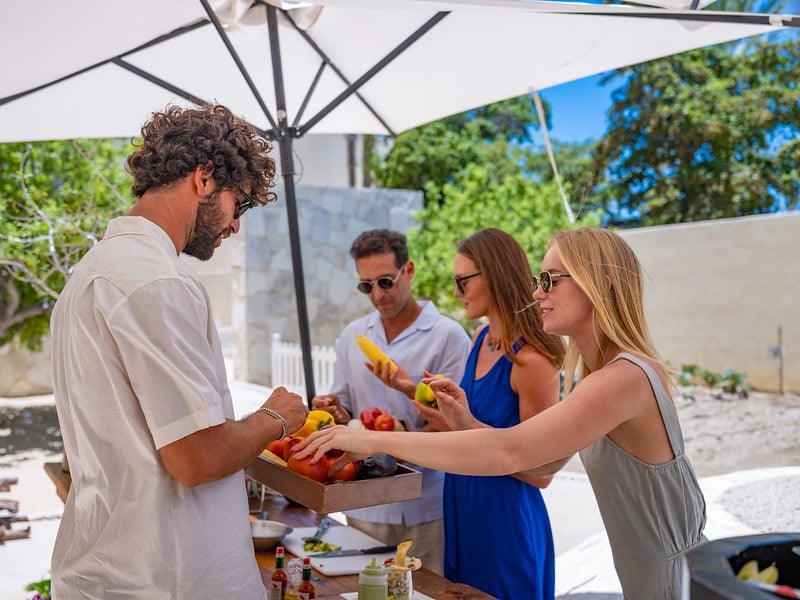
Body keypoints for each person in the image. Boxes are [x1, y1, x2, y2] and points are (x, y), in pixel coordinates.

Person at [297, 226, 707, 600]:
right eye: (536, 281)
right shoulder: (602, 378)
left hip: (671, 584)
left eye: (550, 281)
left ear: (600, 283)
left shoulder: (622, 378)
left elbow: (512, 452)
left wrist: (367, 439)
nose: (537, 294)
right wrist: (462, 420)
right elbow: (543, 459)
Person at [49, 104, 308, 598]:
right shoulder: (158, 282)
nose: (235, 226)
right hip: (167, 579)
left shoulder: (90, 274)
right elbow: (197, 459)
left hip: (109, 572)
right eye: (242, 204)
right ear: (205, 178)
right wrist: (275, 417)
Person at [416, 227, 565, 599]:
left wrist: (468, 425)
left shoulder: (532, 360)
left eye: (461, 281)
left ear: (494, 275)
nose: (455, 292)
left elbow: (541, 472)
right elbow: (471, 433)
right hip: (464, 507)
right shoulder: (480, 338)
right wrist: (449, 419)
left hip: (505, 520)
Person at [311, 228, 471, 575]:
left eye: (385, 281)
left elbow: (458, 427)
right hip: (363, 506)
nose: (378, 295)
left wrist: (406, 399)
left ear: (408, 270)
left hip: (426, 506)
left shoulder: (448, 337)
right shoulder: (351, 337)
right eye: (366, 286)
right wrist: (334, 411)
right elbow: (347, 410)